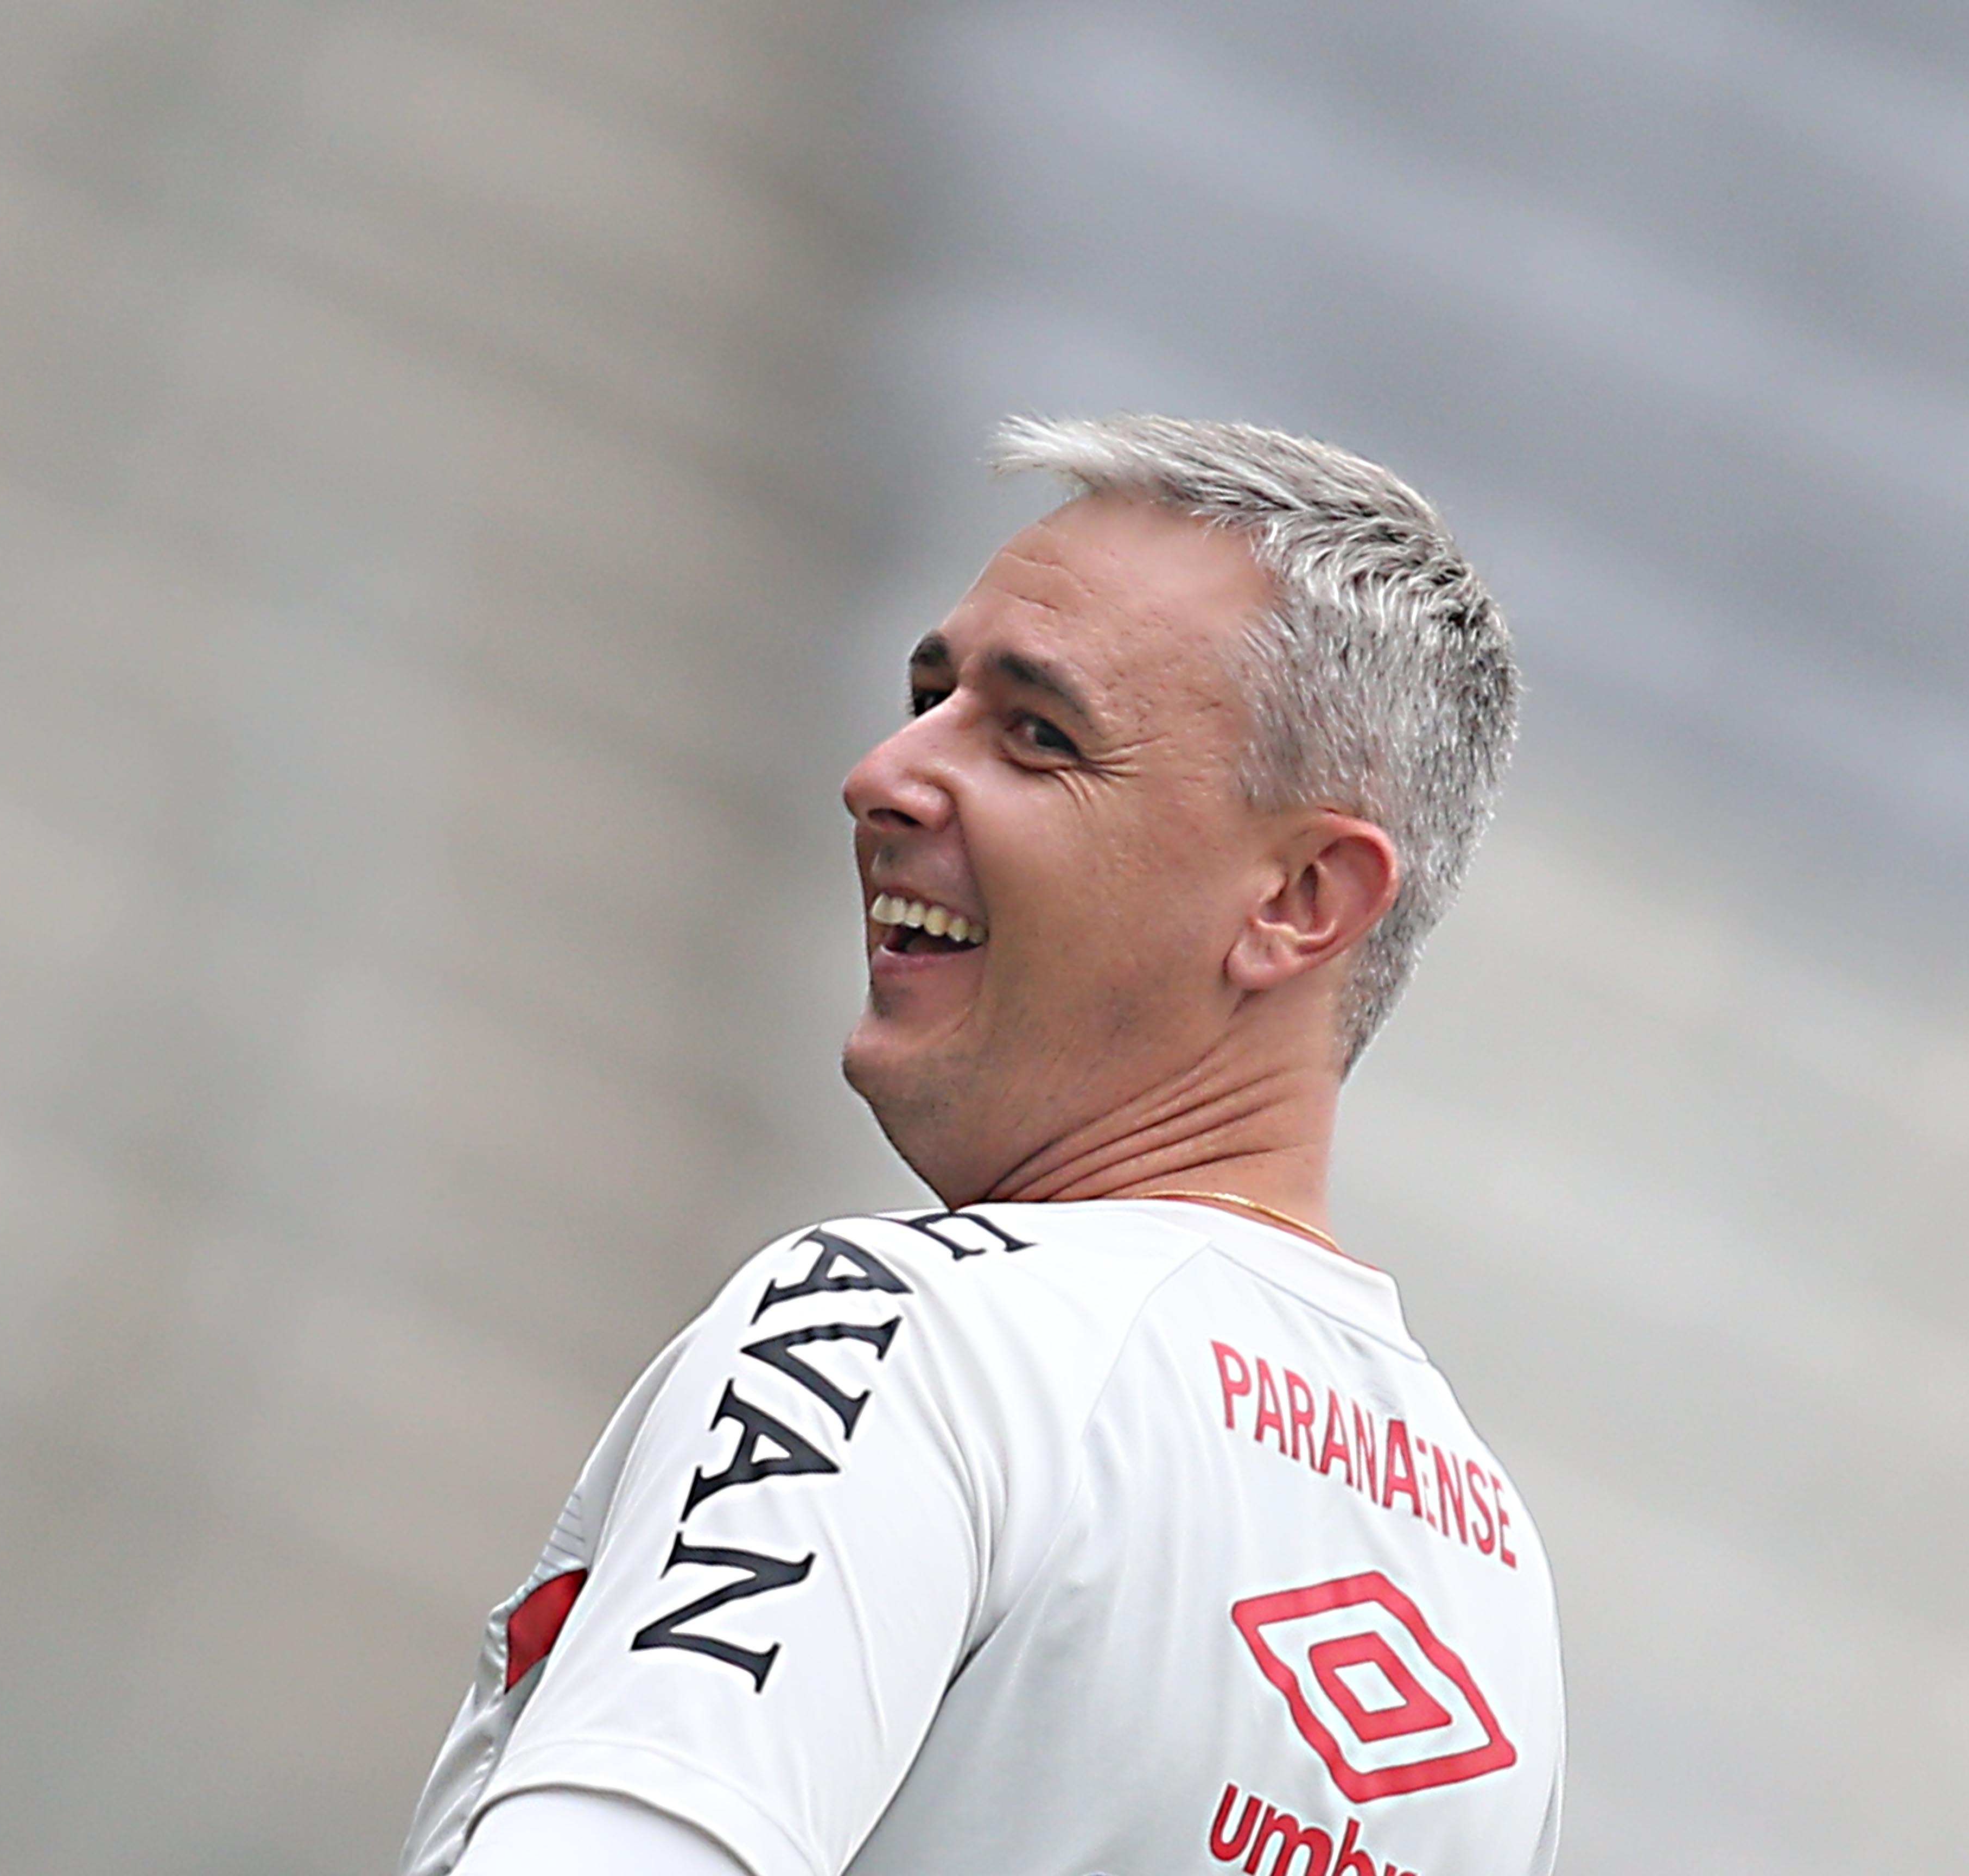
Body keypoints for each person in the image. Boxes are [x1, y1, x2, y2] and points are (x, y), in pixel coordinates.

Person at [402, 415, 1563, 1876]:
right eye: (927, 697)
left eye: (1037, 736)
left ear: (1301, 901)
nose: (881, 773)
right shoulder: (1492, 1591)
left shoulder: (897, 1332)